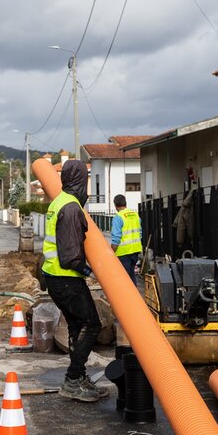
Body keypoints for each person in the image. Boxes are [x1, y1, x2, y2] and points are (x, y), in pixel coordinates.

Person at [42, 160, 105, 402]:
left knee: (77, 326)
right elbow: (69, 256)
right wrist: (91, 272)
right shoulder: (70, 208)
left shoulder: (59, 201)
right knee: (91, 324)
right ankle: (73, 379)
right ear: (80, 180)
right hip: (66, 278)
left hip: (55, 277)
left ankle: (78, 378)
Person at [110, 194, 142, 282]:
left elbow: (116, 239)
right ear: (125, 203)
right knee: (131, 276)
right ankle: (134, 291)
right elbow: (140, 233)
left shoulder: (118, 217)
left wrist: (111, 252)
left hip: (123, 253)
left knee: (124, 279)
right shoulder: (135, 215)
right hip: (135, 251)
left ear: (115, 205)